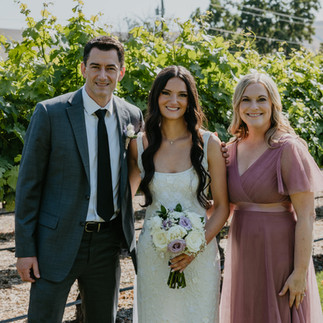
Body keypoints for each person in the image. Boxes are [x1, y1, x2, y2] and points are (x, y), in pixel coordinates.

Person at [14, 36, 143, 322]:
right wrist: (25, 250)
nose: (102, 75)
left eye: (110, 68)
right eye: (95, 66)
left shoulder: (132, 116)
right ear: (82, 68)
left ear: (121, 72)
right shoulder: (50, 113)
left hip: (107, 244)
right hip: (54, 244)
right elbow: (28, 185)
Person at [128, 65, 229, 323]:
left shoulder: (209, 144)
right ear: (155, 97)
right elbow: (125, 198)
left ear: (190, 99)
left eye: (182, 95)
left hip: (200, 255)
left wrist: (194, 249)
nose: (174, 101)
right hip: (153, 255)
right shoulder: (138, 145)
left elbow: (221, 208)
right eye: (166, 93)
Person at [220, 72, 323, 323]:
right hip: (243, 251)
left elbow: (307, 215)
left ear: (273, 104)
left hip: (280, 253)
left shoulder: (287, 148)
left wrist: (299, 273)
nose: (253, 107)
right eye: (246, 100)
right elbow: (222, 205)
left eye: (261, 99)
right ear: (237, 105)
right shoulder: (230, 150)